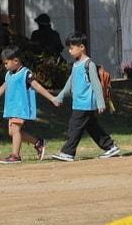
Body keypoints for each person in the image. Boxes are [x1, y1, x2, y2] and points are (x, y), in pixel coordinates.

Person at [49, 33, 120, 161]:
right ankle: (111, 147)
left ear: (81, 47)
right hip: (79, 103)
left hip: (86, 103)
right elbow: (69, 83)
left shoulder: (89, 64)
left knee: (74, 126)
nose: (69, 51)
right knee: (92, 127)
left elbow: (96, 85)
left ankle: (68, 152)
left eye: (71, 48)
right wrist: (60, 96)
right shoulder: (76, 65)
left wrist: (100, 102)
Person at [0, 46, 58, 163]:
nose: (5, 66)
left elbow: (37, 86)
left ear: (16, 61)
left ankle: (15, 156)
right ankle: (38, 143)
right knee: (12, 132)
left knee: (16, 130)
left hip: (21, 106)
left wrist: (52, 98)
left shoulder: (25, 73)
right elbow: (3, 87)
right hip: (11, 107)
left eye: (6, 63)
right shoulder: (9, 75)